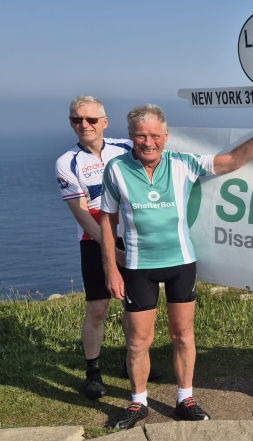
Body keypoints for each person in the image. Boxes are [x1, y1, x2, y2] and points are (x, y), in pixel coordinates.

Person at [100, 103, 253, 429]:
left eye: (155, 136)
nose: (148, 142)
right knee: (137, 341)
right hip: (137, 266)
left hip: (181, 263)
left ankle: (184, 398)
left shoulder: (183, 164)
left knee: (183, 335)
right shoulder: (116, 169)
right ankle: (138, 402)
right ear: (131, 136)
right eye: (141, 136)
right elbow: (107, 219)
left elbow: (232, 160)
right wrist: (110, 268)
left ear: (166, 135)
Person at [55, 96, 162, 400]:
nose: (84, 125)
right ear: (71, 123)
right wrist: (111, 252)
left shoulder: (127, 147)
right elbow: (81, 215)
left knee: (136, 304)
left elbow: (159, 154)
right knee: (98, 308)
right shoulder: (67, 162)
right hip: (94, 241)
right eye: (77, 119)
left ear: (104, 122)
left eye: (90, 119)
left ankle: (134, 363)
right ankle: (93, 372)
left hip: (134, 235)